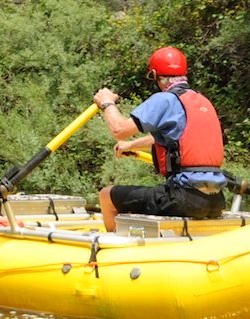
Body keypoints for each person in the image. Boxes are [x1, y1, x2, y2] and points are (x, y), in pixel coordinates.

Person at [91, 45, 229, 232]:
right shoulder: (202, 101)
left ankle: (112, 252)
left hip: (183, 198)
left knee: (107, 195)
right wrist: (131, 145)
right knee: (142, 199)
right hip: (215, 199)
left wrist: (107, 103)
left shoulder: (166, 99)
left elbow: (119, 129)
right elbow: (175, 140)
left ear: (155, 75)